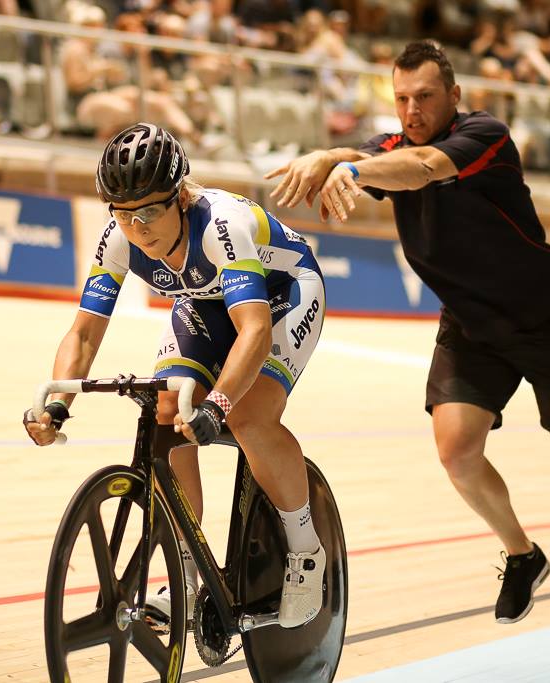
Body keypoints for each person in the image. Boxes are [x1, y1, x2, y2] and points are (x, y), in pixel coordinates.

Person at [266, 40, 550, 624]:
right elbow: (367, 153)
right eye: (402, 98)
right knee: (457, 452)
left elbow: (423, 169)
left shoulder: (485, 136)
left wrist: (347, 167)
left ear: (454, 96)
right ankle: (522, 555)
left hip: (545, 317)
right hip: (471, 323)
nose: (412, 110)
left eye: (425, 97)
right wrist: (324, 157)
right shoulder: (390, 145)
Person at [24, 123, 327, 629]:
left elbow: (252, 331)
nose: (137, 228)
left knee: (250, 416)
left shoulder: (220, 224)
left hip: (282, 298)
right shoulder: (117, 239)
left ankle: (306, 551)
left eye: (149, 211)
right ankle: (187, 572)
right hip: (205, 306)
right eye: (123, 214)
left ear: (181, 196)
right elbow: (83, 335)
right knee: (168, 410)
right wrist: (57, 405)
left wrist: (220, 405)